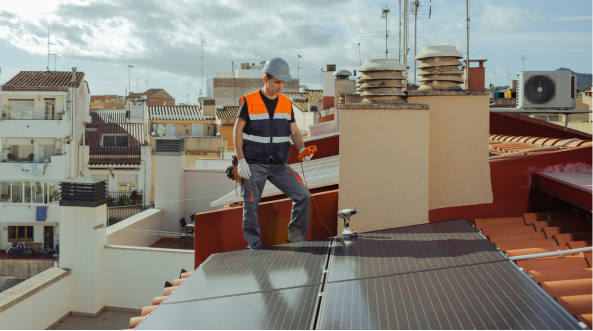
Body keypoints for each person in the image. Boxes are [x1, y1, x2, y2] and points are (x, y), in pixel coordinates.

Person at [233, 57, 314, 249]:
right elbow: (237, 131)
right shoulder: (249, 101)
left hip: (278, 165)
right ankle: (254, 247)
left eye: (283, 83)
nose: (280, 86)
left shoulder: (286, 103)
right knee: (250, 206)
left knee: (303, 196)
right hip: (253, 164)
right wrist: (241, 161)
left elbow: (294, 131)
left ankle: (295, 241)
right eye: (276, 82)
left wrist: (301, 148)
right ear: (265, 79)